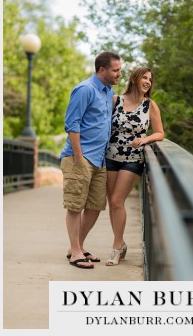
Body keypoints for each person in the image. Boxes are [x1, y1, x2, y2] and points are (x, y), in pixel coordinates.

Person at [60, 52, 122, 269]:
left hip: (99, 160)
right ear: (102, 70)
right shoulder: (85, 89)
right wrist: (78, 156)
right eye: (115, 70)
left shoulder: (108, 92)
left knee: (95, 206)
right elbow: (72, 124)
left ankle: (77, 246)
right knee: (76, 205)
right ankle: (76, 251)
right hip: (80, 157)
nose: (119, 74)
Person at [104, 67, 164, 266]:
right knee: (112, 203)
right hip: (111, 156)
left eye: (150, 79)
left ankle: (115, 247)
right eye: (144, 78)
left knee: (117, 199)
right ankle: (120, 243)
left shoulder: (150, 105)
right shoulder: (116, 100)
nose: (148, 82)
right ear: (134, 79)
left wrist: (145, 139)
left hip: (133, 158)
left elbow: (160, 133)